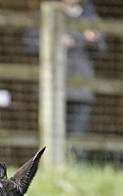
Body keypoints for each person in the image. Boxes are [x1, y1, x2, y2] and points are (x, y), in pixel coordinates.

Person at [25, 0, 106, 163]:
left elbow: (102, 48)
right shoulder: (44, 13)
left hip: (81, 88)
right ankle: (50, 169)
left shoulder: (91, 16)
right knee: (50, 136)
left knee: (77, 138)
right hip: (51, 89)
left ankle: (76, 170)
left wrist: (92, 39)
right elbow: (29, 44)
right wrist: (54, 41)